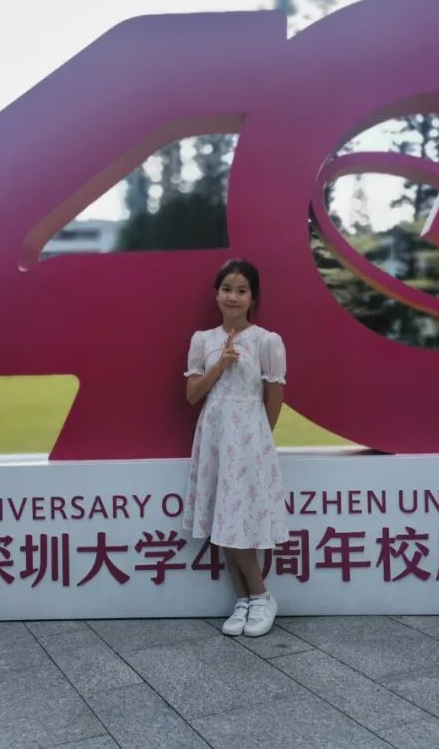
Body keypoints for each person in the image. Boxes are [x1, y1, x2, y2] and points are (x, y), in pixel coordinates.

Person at [182, 258, 288, 638]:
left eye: (242, 291)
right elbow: (192, 395)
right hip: (214, 435)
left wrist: (259, 440)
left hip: (249, 439)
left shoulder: (266, 341)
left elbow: (274, 396)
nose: (233, 297)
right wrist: (220, 364)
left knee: (237, 517)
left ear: (252, 298)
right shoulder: (203, 340)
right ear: (217, 293)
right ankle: (243, 600)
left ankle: (261, 596)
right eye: (227, 289)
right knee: (223, 518)